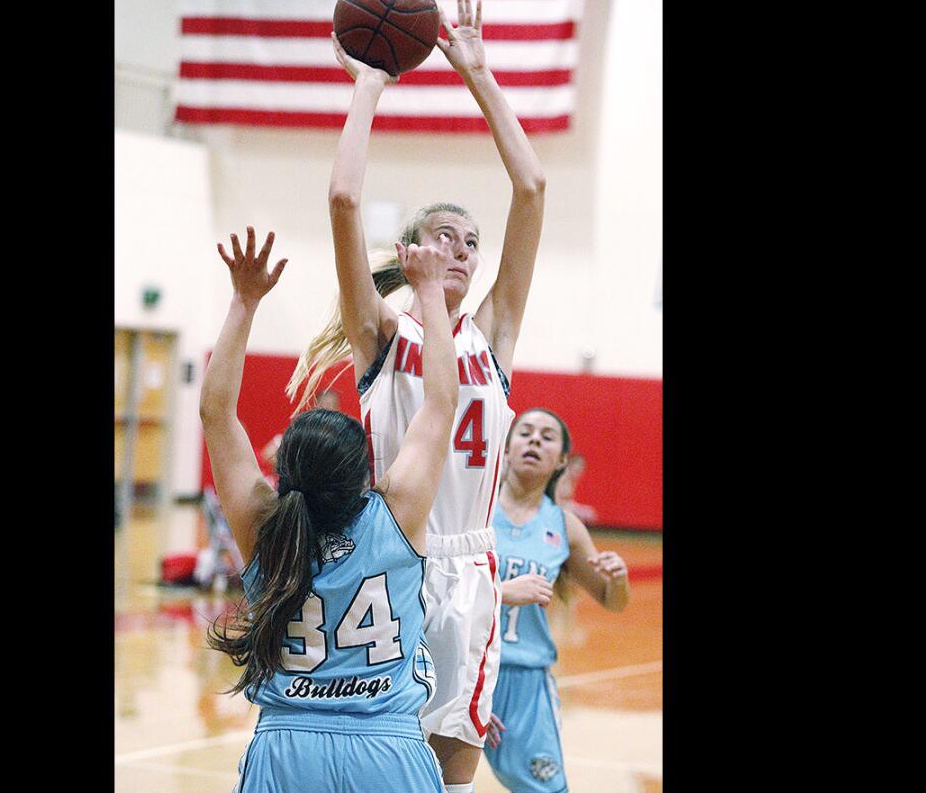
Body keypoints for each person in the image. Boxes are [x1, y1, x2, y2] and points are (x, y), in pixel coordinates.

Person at [287, 0, 550, 790]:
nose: (464, 252)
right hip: (389, 558)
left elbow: (532, 188)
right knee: (380, 760)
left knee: (452, 773)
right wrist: (367, 86)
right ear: (410, 251)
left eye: (473, 243)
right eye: (446, 238)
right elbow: (342, 200)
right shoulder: (384, 335)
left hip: (470, 569)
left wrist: (479, 74)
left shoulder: (491, 335)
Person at [200, 226, 461, 792]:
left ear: (282, 472)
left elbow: (216, 413)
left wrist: (244, 302)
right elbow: (441, 402)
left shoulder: (261, 525)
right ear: (364, 471)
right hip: (387, 749)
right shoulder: (396, 515)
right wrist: (432, 293)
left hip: (287, 749)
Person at [481, 409, 630, 792]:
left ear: (562, 460)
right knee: (435, 782)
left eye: (547, 437)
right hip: (464, 668)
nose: (534, 440)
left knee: (545, 787)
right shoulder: (473, 510)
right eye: (525, 432)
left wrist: (618, 579)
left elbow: (612, 601)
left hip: (525, 681)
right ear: (507, 447)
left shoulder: (563, 525)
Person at [552, 453, 597, 524]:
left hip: (565, 508)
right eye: (577, 467)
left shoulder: (572, 481)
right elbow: (554, 499)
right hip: (556, 508)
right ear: (570, 465)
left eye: (581, 467)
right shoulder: (562, 477)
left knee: (589, 513)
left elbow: (569, 501)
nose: (579, 470)